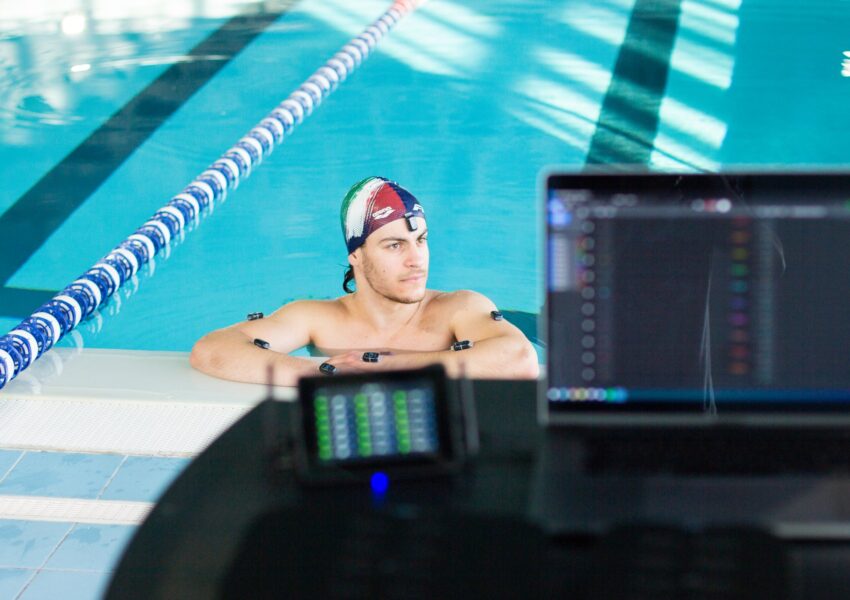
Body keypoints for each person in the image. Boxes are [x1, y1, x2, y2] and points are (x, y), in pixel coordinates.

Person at [189, 176, 539, 386]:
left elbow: (519, 359)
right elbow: (213, 350)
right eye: (394, 245)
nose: (416, 258)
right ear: (356, 255)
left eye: (421, 240)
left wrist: (378, 365)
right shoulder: (317, 318)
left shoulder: (459, 308)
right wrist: (323, 373)